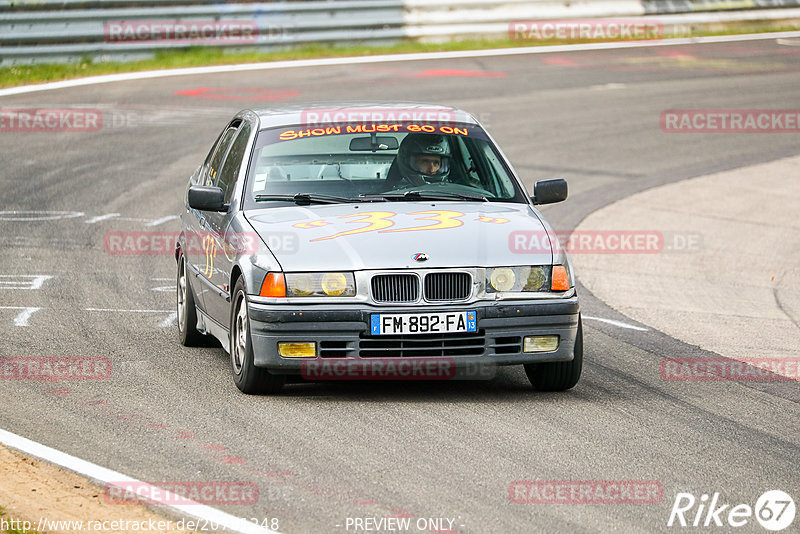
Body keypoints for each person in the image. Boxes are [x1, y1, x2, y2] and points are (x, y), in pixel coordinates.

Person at [386, 133, 452, 188]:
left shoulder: (454, 193)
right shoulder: (394, 197)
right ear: (407, 162)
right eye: (425, 162)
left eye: (436, 163)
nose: (432, 170)